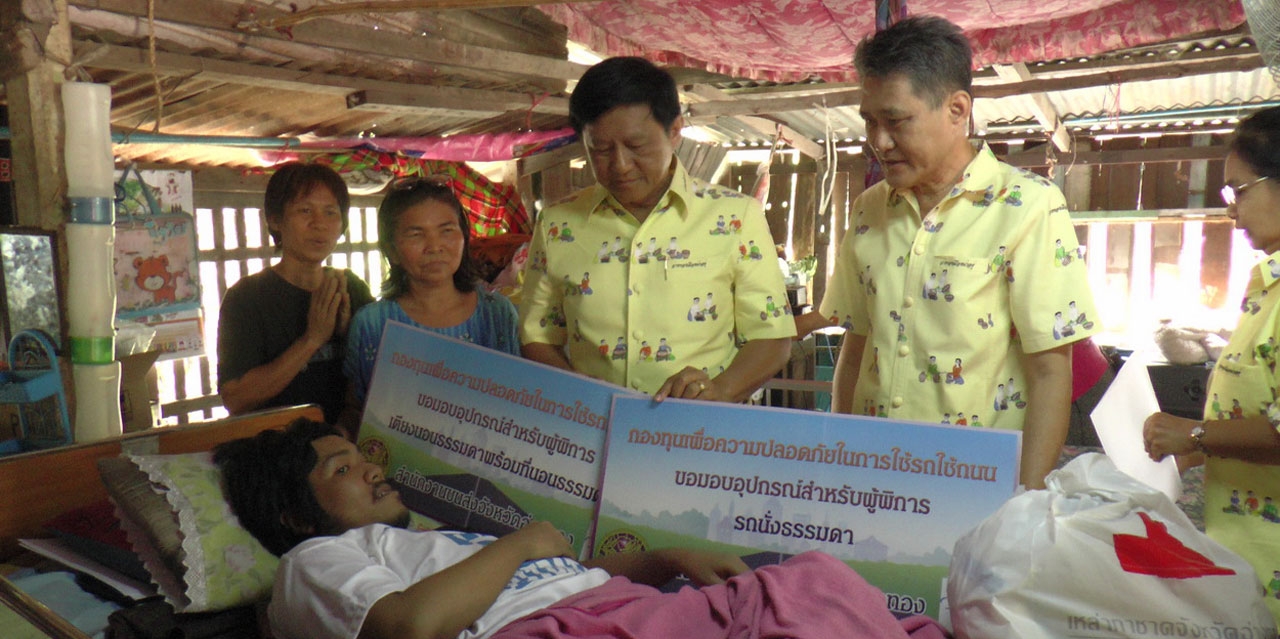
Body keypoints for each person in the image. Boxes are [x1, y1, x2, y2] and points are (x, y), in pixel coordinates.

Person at [213, 418, 980, 639]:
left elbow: (561, 572)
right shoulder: (314, 563)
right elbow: (408, 630)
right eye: (344, 468)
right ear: (293, 512)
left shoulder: (430, 540)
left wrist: (667, 556)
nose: (373, 469)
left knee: (816, 580)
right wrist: (518, 543)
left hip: (618, 612)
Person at [818, 16, 1098, 489]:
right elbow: (857, 344)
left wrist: (1024, 501)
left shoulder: (1027, 206)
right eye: (869, 121)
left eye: (897, 121)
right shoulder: (870, 209)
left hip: (971, 482)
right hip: (869, 475)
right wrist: (839, 459)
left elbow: (1052, 370)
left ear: (957, 108)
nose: (879, 142)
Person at [520, 56, 795, 403]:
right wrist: (581, 397)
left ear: (675, 130)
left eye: (636, 147)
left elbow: (773, 338)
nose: (619, 165)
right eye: (600, 149)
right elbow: (538, 335)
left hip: (700, 435)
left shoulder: (735, 217)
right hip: (593, 434)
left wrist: (720, 390)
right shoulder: (558, 224)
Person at [1143, 106, 1280, 627]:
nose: (1232, 211)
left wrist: (1196, 434)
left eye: (1240, 190)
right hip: (1251, 568)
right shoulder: (1267, 289)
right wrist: (1194, 451)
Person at [342, 178, 520, 433]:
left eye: (446, 230)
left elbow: (515, 406)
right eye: (416, 234)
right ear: (391, 250)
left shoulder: (497, 312)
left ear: (464, 237)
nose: (434, 246)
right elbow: (356, 410)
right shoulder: (373, 322)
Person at [217, 162, 374, 424]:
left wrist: (352, 337)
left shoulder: (351, 288)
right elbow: (236, 400)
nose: (319, 224)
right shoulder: (247, 297)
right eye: (305, 210)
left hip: (347, 446)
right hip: (279, 453)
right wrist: (312, 340)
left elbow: (385, 377)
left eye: (330, 212)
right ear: (275, 220)